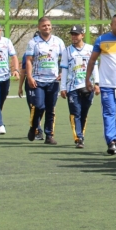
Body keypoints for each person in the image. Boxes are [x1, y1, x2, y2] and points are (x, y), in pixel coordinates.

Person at [85, 14, 116, 155]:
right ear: (111, 25)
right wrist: (88, 79)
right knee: (109, 112)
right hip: (107, 85)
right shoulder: (101, 40)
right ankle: (111, 141)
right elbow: (92, 61)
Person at [25, 17, 66, 145]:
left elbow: (64, 59)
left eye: (48, 25)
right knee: (38, 106)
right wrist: (30, 77)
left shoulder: (58, 42)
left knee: (50, 109)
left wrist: (62, 72)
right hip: (38, 80)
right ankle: (34, 127)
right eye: (44, 26)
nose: (47, 27)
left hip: (53, 81)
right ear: (39, 27)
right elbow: (29, 60)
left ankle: (49, 135)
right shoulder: (33, 42)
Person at [60, 25, 100, 148]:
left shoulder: (90, 49)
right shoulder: (67, 51)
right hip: (73, 87)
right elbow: (64, 70)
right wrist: (63, 87)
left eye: (76, 34)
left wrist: (97, 83)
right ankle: (78, 137)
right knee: (75, 113)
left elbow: (95, 67)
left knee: (84, 113)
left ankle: (81, 134)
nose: (74, 37)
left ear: (82, 35)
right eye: (72, 34)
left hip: (88, 86)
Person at [18, 31, 43, 140]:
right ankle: (37, 130)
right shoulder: (27, 54)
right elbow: (23, 71)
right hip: (31, 84)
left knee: (42, 107)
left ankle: (37, 128)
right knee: (34, 107)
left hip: (44, 82)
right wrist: (20, 87)